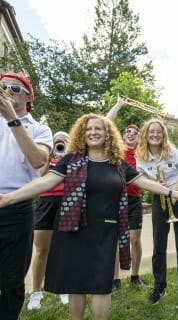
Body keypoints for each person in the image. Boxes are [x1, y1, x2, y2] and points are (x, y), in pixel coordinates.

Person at [0, 113, 178, 320]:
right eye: (88, 129)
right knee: (76, 283)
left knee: (102, 285)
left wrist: (170, 192)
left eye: (98, 128)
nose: (93, 132)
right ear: (82, 133)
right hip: (74, 229)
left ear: (107, 134)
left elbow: (142, 181)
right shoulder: (71, 160)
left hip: (106, 231)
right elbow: (46, 182)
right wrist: (9, 198)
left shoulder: (117, 163)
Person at [0, 73, 52, 320]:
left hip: (16, 206)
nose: (7, 90)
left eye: (14, 88)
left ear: (28, 97)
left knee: (11, 279)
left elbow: (39, 160)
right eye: (3, 87)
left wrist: (12, 118)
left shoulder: (40, 128)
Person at [135, 118, 178, 311]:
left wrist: (174, 192)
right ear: (146, 134)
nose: (155, 134)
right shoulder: (141, 156)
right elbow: (142, 181)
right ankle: (159, 288)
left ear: (163, 134)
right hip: (159, 200)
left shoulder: (173, 152)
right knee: (159, 246)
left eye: (158, 131)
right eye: (151, 131)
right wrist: (164, 192)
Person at [106, 97, 146, 291]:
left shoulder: (142, 153)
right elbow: (105, 123)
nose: (131, 134)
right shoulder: (116, 149)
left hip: (135, 199)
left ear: (139, 137)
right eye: (128, 132)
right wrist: (119, 105)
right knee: (115, 240)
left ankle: (135, 275)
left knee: (135, 239)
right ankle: (115, 279)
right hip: (116, 199)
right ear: (123, 135)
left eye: (135, 133)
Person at [27, 131, 70, 310]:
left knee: (64, 250)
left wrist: (66, 157)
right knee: (41, 250)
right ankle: (36, 292)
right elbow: (39, 178)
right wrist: (49, 158)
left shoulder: (72, 158)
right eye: (57, 142)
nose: (60, 144)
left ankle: (62, 287)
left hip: (66, 203)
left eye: (64, 142)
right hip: (45, 204)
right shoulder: (46, 157)